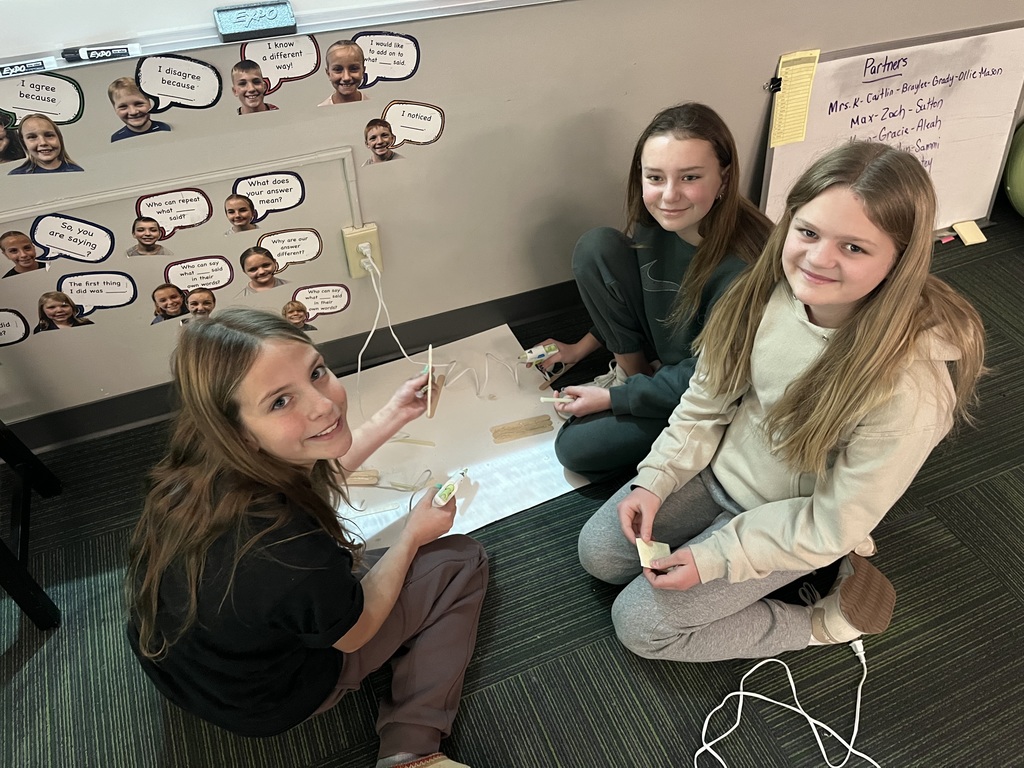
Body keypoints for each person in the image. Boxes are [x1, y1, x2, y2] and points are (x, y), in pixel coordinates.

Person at [577, 141, 986, 662]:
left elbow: (830, 522)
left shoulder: (910, 394)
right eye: (808, 232)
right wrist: (655, 480)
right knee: (600, 552)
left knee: (640, 625)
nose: (817, 260)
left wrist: (719, 557)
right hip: (718, 476)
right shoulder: (762, 295)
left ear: (899, 261)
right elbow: (705, 406)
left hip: (797, 521)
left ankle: (821, 620)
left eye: (854, 248)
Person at [126, 308, 487, 768]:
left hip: (182, 668)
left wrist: (395, 413)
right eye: (280, 401)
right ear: (240, 432)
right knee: (461, 558)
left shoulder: (197, 465)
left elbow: (312, 470)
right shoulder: (290, 555)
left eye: (317, 372)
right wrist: (412, 536)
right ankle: (410, 749)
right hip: (268, 700)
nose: (324, 405)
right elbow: (354, 635)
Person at [535, 103, 772, 480]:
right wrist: (579, 349)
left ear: (724, 179)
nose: (669, 195)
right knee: (597, 246)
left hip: (711, 390)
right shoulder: (656, 222)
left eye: (690, 177)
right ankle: (639, 379)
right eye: (656, 178)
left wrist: (616, 398)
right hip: (670, 355)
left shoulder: (745, 265)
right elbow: (644, 292)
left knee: (575, 448)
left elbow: (714, 377)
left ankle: (714, 444)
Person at [7, 114, 83, 174]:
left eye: (49, 135)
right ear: (23, 142)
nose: (43, 142)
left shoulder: (77, 171)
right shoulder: (16, 175)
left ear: (59, 138)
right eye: (32, 137)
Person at [107, 78, 171, 142]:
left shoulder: (164, 129)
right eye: (123, 106)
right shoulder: (117, 139)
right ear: (115, 109)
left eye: (139, 104)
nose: (133, 112)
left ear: (149, 103)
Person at [319, 40, 368, 105]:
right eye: (338, 69)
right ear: (328, 74)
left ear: (363, 71)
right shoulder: (319, 113)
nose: (346, 77)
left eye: (354, 69)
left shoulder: (377, 108)